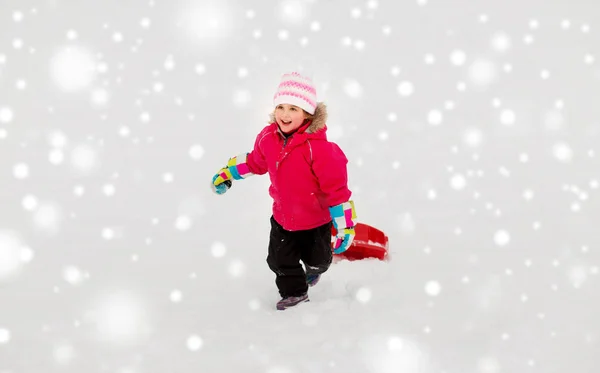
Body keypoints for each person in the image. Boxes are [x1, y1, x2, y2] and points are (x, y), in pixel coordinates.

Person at [211, 71, 357, 310]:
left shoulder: (319, 150)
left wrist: (345, 224)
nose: (285, 114)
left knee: (318, 260)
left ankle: (315, 270)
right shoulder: (268, 138)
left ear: (307, 114)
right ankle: (295, 293)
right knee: (279, 260)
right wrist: (228, 173)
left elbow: (337, 191)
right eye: (281, 107)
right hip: (283, 218)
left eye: (294, 109)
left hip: (315, 221)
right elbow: (255, 162)